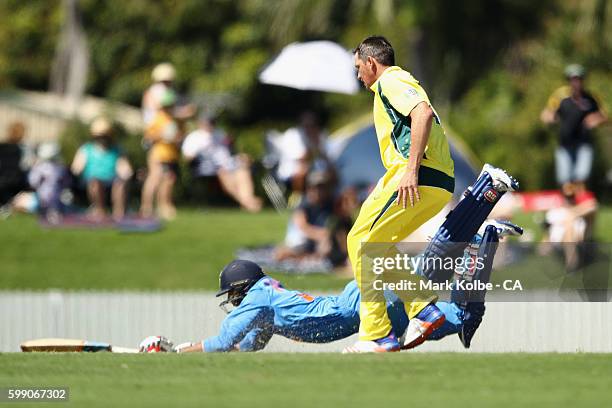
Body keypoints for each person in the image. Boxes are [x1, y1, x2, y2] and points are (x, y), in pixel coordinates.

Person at [140, 219, 521, 354]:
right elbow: (244, 348)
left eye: (233, 295)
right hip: (354, 312)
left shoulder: (256, 298)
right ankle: (486, 239)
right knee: (459, 318)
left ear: (241, 288)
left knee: (423, 278)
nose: (234, 303)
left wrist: (173, 352)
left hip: (352, 308)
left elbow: (222, 344)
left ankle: (473, 218)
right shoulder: (265, 303)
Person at [540, 64, 607, 190]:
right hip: (564, 144)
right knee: (565, 179)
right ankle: (569, 206)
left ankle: (581, 205)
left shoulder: (590, 98)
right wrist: (550, 118)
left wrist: (595, 120)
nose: (576, 82)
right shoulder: (560, 96)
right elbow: (546, 113)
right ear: (569, 81)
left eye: (579, 79)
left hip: (584, 144)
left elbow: (604, 116)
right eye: (573, 79)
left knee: (581, 176)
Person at [182, 115, 262, 212]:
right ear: (200, 124)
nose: (210, 126)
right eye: (207, 123)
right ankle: (249, 203)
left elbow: (230, 151)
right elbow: (188, 157)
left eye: (211, 123)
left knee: (243, 170)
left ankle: (248, 201)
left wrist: (241, 156)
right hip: (206, 166)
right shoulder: (194, 137)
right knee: (223, 172)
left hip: (227, 163)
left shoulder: (220, 134)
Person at [71, 117, 133, 220]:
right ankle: (100, 211)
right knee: (95, 182)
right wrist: (77, 170)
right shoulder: (86, 149)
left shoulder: (116, 150)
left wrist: (126, 173)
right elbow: (76, 167)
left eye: (104, 136)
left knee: (120, 183)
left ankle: (119, 213)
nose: (102, 139)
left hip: (112, 180)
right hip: (93, 181)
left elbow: (123, 166)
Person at [140, 89, 184, 220]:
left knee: (168, 181)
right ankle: (146, 207)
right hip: (158, 154)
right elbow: (148, 138)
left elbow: (179, 136)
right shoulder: (157, 119)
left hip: (171, 155)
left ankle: (163, 206)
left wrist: (176, 139)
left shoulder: (174, 120)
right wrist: (162, 135)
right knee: (154, 178)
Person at [275, 171, 335, 262]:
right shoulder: (303, 204)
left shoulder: (328, 204)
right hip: (301, 238)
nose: (318, 191)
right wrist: (323, 235)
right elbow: (303, 227)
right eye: (315, 188)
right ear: (309, 188)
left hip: (316, 239)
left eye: (321, 188)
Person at [540, 184, 598, 272]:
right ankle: (572, 263)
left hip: (579, 237)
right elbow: (548, 231)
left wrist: (573, 213)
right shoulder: (555, 212)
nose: (569, 199)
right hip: (559, 239)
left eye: (571, 196)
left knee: (570, 225)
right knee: (568, 226)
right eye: (567, 196)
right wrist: (544, 244)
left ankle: (573, 263)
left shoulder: (579, 210)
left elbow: (593, 206)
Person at [273, 111, 333, 195]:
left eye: (312, 124)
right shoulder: (293, 135)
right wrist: (314, 144)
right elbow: (302, 158)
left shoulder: (321, 134)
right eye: (307, 125)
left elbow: (327, 157)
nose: (310, 127)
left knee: (332, 171)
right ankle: (300, 197)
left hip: (316, 170)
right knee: (303, 169)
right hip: (291, 172)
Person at [28, 142, 70, 223]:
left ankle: (51, 213)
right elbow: (33, 182)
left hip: (54, 197)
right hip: (43, 197)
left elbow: (32, 182)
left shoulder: (59, 168)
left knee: (55, 205)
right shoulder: (40, 168)